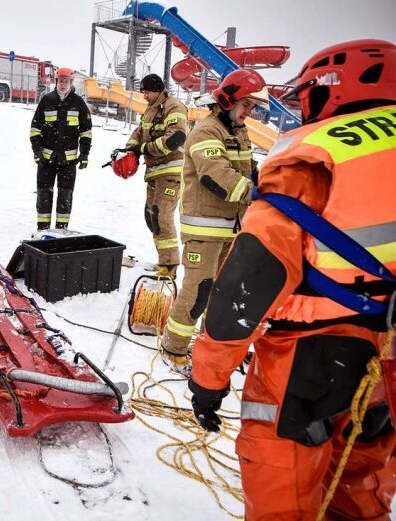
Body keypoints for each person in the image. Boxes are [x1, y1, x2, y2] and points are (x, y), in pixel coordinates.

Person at [188, 39, 396, 520]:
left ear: (323, 92)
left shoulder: (314, 159)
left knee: (285, 489)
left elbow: (245, 291)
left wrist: (208, 379)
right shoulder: (209, 130)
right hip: (385, 357)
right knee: (362, 482)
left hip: (312, 362)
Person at [162, 69, 267, 375]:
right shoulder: (206, 132)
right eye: (247, 105)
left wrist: (270, 178)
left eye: (253, 107)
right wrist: (256, 192)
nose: (250, 113)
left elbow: (248, 168)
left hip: (231, 228)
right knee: (198, 291)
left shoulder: (238, 131)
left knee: (224, 292)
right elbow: (215, 174)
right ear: (228, 100)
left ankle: (212, 346)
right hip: (204, 229)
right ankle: (174, 348)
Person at [119, 74, 187, 277]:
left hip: (170, 171)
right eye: (143, 92)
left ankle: (169, 266)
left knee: (162, 216)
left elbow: (175, 138)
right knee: (152, 217)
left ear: (158, 90)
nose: (144, 96)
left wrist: (143, 149)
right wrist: (129, 149)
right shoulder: (151, 109)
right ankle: (163, 260)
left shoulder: (174, 107)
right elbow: (140, 132)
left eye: (147, 92)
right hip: (154, 172)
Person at [29, 67, 92, 230]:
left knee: (65, 196)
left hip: (68, 162)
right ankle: (42, 229)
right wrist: (37, 152)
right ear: (56, 81)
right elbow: (35, 128)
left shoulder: (79, 103)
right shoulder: (46, 101)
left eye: (66, 81)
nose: (63, 84)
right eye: (60, 80)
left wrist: (84, 154)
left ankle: (61, 229)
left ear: (71, 82)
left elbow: (86, 132)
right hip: (46, 160)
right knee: (44, 195)